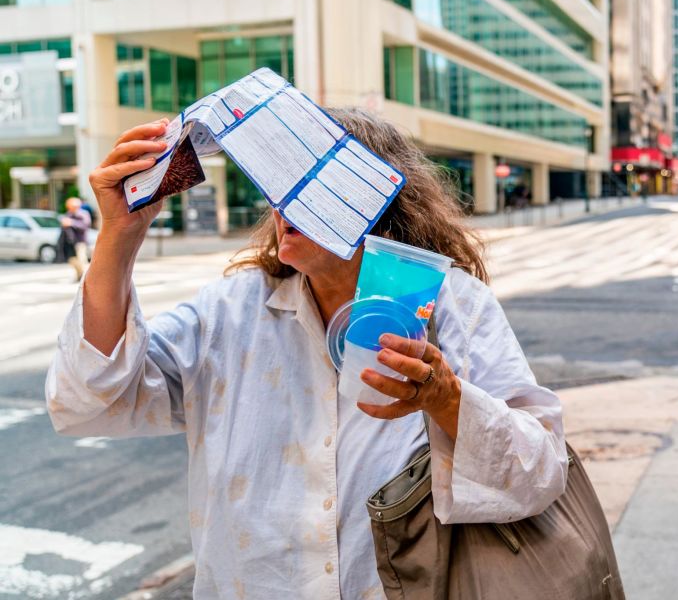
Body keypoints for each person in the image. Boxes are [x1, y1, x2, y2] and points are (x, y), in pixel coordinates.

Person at [46, 110, 568, 598]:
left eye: (312, 179)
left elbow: (538, 473)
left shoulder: (452, 306)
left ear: (375, 194)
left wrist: (446, 397)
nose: (283, 201)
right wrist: (120, 233)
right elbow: (88, 401)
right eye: (281, 179)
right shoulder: (232, 309)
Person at [59, 197, 92, 281]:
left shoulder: (83, 214)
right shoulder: (68, 214)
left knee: (81, 260)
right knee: (72, 259)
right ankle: (80, 275)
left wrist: (71, 223)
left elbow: (84, 225)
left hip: (80, 241)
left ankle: (85, 278)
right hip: (69, 241)